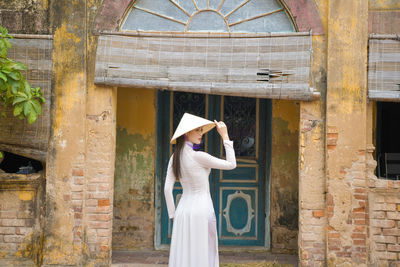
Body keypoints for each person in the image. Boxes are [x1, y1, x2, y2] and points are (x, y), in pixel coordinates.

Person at [164, 113, 237, 267]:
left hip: (182, 212)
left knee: (185, 255)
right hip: (201, 210)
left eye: (201, 130)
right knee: (203, 253)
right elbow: (231, 164)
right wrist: (225, 136)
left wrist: (173, 214)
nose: (200, 134)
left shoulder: (174, 158)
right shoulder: (198, 156)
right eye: (197, 130)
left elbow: (167, 189)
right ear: (186, 133)